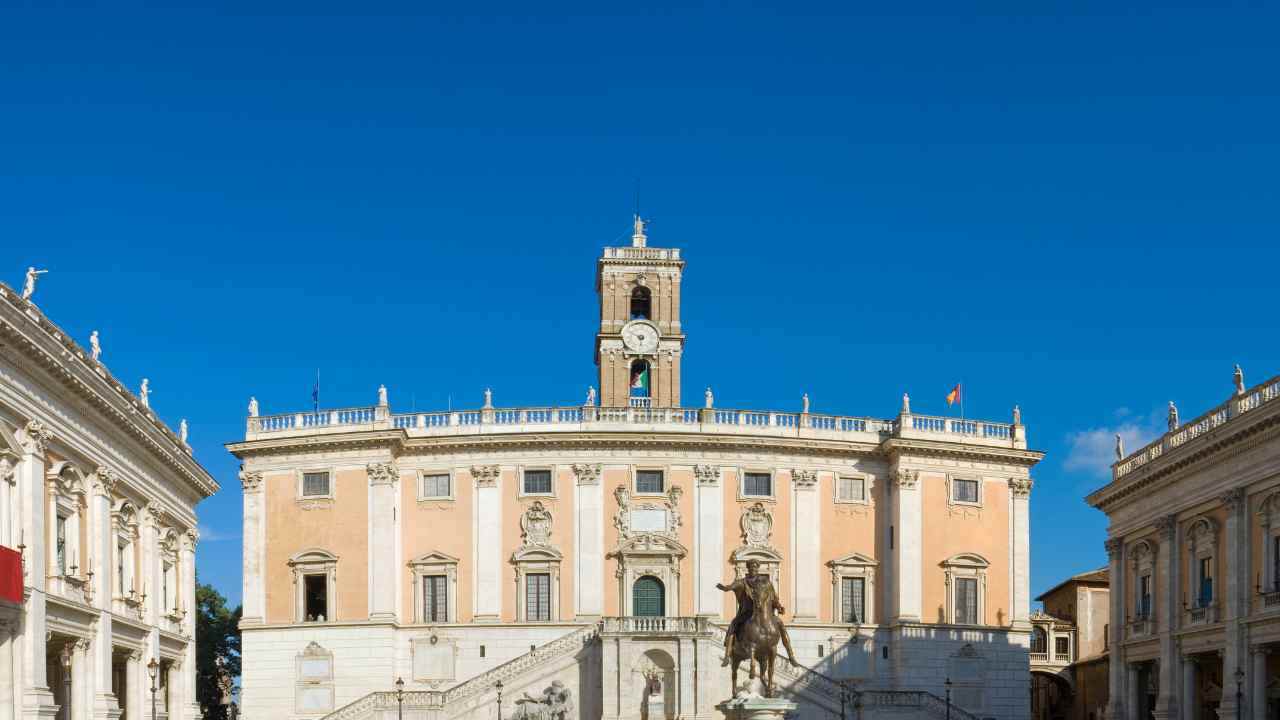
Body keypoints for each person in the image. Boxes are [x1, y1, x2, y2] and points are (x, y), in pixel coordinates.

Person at [716, 560, 797, 666]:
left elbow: (773, 596)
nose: (753, 569)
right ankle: (727, 655)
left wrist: (779, 606)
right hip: (747, 612)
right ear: (748, 569)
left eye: (755, 568)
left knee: (780, 625)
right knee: (733, 624)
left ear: (757, 569)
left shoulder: (765, 582)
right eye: (751, 568)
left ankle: (791, 655)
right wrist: (725, 588)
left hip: (764, 612)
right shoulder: (743, 581)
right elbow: (732, 586)